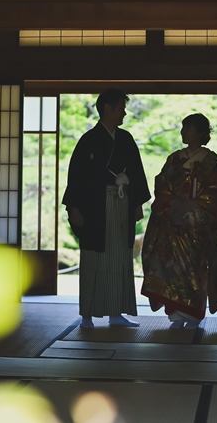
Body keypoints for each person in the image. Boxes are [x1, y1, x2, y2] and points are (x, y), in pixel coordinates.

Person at [62, 89, 150, 328]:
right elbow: (76, 178)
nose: (124, 112)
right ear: (108, 109)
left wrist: (138, 204)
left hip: (121, 204)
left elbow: (137, 174)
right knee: (93, 258)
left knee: (120, 256)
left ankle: (116, 312)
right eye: (121, 107)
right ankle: (87, 315)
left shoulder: (126, 140)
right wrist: (74, 208)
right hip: (94, 208)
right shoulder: (88, 141)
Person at [140, 113, 217, 329]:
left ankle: (194, 315)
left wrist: (194, 206)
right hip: (173, 224)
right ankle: (177, 316)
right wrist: (174, 203)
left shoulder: (211, 160)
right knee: (172, 269)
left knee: (195, 269)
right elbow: (162, 185)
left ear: (199, 132)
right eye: (182, 128)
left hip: (197, 226)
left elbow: (216, 192)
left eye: (187, 128)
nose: (182, 132)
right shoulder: (173, 159)